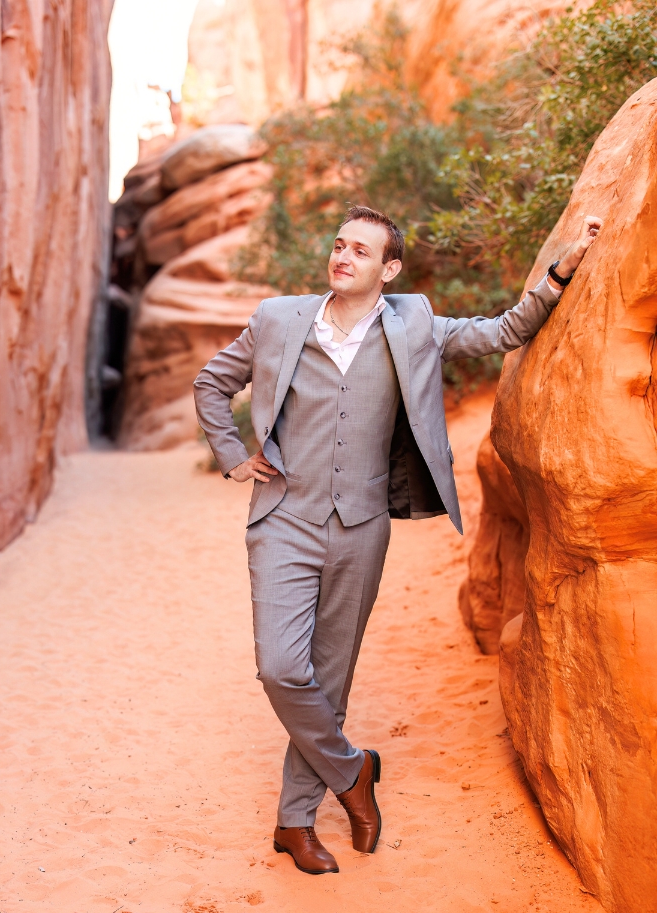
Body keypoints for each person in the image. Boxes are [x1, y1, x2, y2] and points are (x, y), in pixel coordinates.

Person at [193, 205, 601, 875]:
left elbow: (503, 330)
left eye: (361, 250)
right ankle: (353, 772)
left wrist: (563, 267)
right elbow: (213, 382)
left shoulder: (413, 325)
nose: (342, 256)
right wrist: (233, 453)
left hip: (361, 526)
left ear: (390, 269)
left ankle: (295, 821)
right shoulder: (278, 319)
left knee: (329, 676)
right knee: (280, 668)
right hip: (283, 521)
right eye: (338, 244)